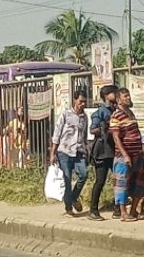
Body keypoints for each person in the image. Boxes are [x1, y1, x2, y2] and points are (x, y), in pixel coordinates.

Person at [49, 90, 89, 218]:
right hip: (64, 151)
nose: (82, 104)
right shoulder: (65, 114)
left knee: (83, 174)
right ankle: (68, 207)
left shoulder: (84, 117)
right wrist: (53, 153)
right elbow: (57, 133)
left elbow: (84, 136)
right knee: (66, 179)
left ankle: (73, 197)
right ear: (74, 100)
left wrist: (86, 151)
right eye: (80, 101)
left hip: (78, 151)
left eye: (84, 102)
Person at [110, 87, 144, 222]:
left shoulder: (130, 113)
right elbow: (116, 137)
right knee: (121, 183)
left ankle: (133, 210)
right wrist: (125, 155)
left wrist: (141, 149)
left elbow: (136, 133)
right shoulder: (116, 116)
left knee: (139, 182)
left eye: (129, 96)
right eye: (125, 96)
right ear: (119, 99)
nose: (128, 98)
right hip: (123, 156)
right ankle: (123, 212)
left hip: (137, 154)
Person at [88, 84, 118, 220]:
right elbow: (92, 129)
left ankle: (118, 208)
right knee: (100, 181)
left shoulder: (117, 110)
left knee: (119, 179)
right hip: (102, 150)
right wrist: (105, 128)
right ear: (107, 96)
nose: (116, 95)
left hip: (114, 149)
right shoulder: (101, 112)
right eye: (114, 93)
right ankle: (93, 210)